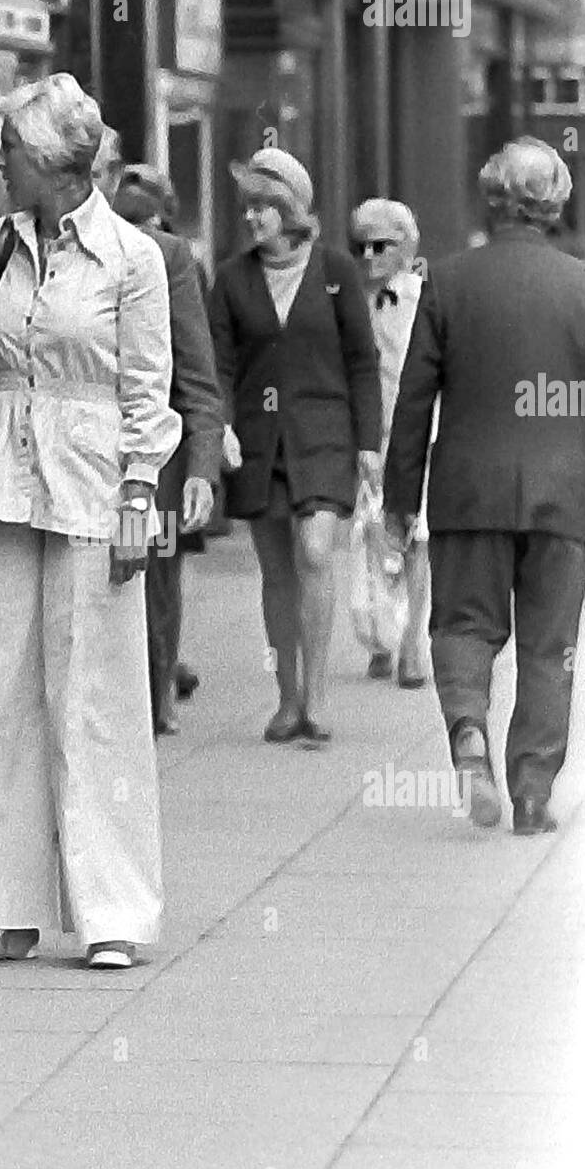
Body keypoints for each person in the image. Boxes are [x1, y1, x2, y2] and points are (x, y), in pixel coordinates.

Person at [0, 73, 180, 970]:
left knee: (95, 697)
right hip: (1, 473)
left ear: (48, 163)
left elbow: (149, 389)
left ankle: (112, 910)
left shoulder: (130, 259)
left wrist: (141, 496)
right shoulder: (1, 239)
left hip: (92, 482)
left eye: (7, 157)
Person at [385, 136, 585, 836]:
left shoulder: (445, 280)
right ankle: (532, 794)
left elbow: (413, 401)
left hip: (468, 489)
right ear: (555, 200)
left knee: (464, 625)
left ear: (490, 196)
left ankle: (468, 731)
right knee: (548, 647)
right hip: (565, 496)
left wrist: (397, 500)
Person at [210, 149, 381, 747]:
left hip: (326, 436)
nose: (253, 218)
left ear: (291, 209)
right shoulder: (231, 279)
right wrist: (221, 425)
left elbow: (363, 360)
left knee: (314, 550)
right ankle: (286, 697)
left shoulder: (336, 270)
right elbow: (220, 366)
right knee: (277, 568)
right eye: (248, 207)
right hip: (259, 441)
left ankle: (318, 695)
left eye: (265, 207)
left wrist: (370, 443)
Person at [92, 130, 224, 735]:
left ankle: (154, 693)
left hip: (149, 451)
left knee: (149, 565)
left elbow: (198, 369)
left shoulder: (170, 259)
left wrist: (203, 460)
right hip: (74, 444)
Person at [349, 198, 433, 689]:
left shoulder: (426, 298)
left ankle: (412, 644)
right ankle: (381, 634)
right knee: (372, 537)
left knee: (416, 536)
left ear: (406, 249)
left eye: (379, 245)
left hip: (419, 432)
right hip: (366, 436)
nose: (367, 255)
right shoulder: (346, 299)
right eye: (359, 245)